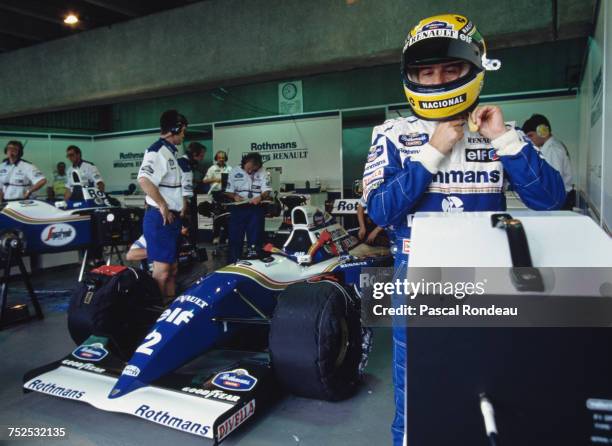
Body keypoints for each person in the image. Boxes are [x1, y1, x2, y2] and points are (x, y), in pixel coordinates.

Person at [361, 14, 566, 446]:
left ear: (473, 68)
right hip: (416, 277)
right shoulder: (393, 134)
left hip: (487, 280)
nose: (437, 79)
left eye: (450, 69)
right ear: (411, 76)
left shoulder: (502, 132)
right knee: (414, 385)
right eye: (426, 71)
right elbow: (380, 212)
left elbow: (550, 200)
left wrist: (503, 141)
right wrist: (432, 151)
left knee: (489, 384)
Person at [137, 109, 188, 301]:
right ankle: (155, 312)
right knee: (162, 271)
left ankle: (168, 308)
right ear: (175, 129)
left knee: (173, 269)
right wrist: (163, 206)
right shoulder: (157, 151)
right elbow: (144, 180)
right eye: (183, 130)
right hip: (160, 219)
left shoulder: (171, 153)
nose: (184, 135)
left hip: (172, 219)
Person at [225, 152, 271, 263]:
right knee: (235, 239)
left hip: (255, 209)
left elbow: (267, 191)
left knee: (255, 239)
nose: (250, 172)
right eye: (249, 168)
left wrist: (260, 197)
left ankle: (255, 264)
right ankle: (233, 264)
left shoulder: (264, 172)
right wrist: (234, 196)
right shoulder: (234, 171)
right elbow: (228, 192)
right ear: (245, 162)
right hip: (238, 209)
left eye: (254, 170)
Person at [522, 114, 575, 209]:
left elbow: (552, 182)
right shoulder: (551, 146)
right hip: (557, 199)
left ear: (542, 131)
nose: (529, 140)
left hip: (558, 202)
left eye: (531, 135)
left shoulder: (552, 149)